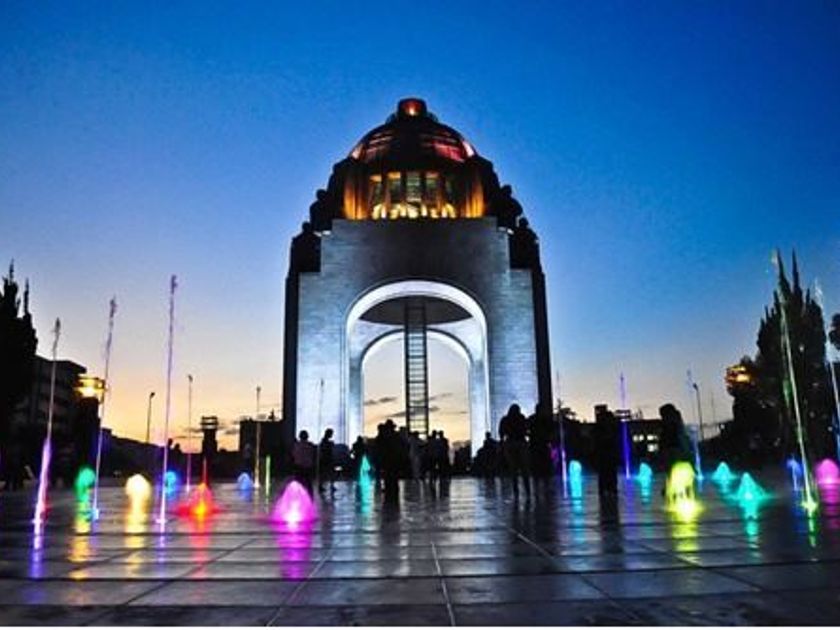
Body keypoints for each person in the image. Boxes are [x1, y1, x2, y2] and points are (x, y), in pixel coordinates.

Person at [499, 403, 531, 496]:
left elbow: (501, 432)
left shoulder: (505, 419)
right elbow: (526, 429)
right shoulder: (522, 418)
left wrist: (502, 442)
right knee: (524, 467)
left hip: (510, 443)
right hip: (520, 443)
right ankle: (527, 489)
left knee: (513, 468)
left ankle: (516, 490)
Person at [594, 405, 620, 497]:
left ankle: (609, 489)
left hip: (607, 456)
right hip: (605, 456)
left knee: (608, 473)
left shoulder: (610, 429)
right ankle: (608, 489)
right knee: (607, 473)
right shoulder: (601, 430)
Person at [318, 428, 335, 493]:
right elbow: (325, 450)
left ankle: (323, 485)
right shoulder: (326, 442)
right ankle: (330, 485)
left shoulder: (324, 441)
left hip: (325, 458)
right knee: (328, 473)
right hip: (326, 458)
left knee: (325, 473)